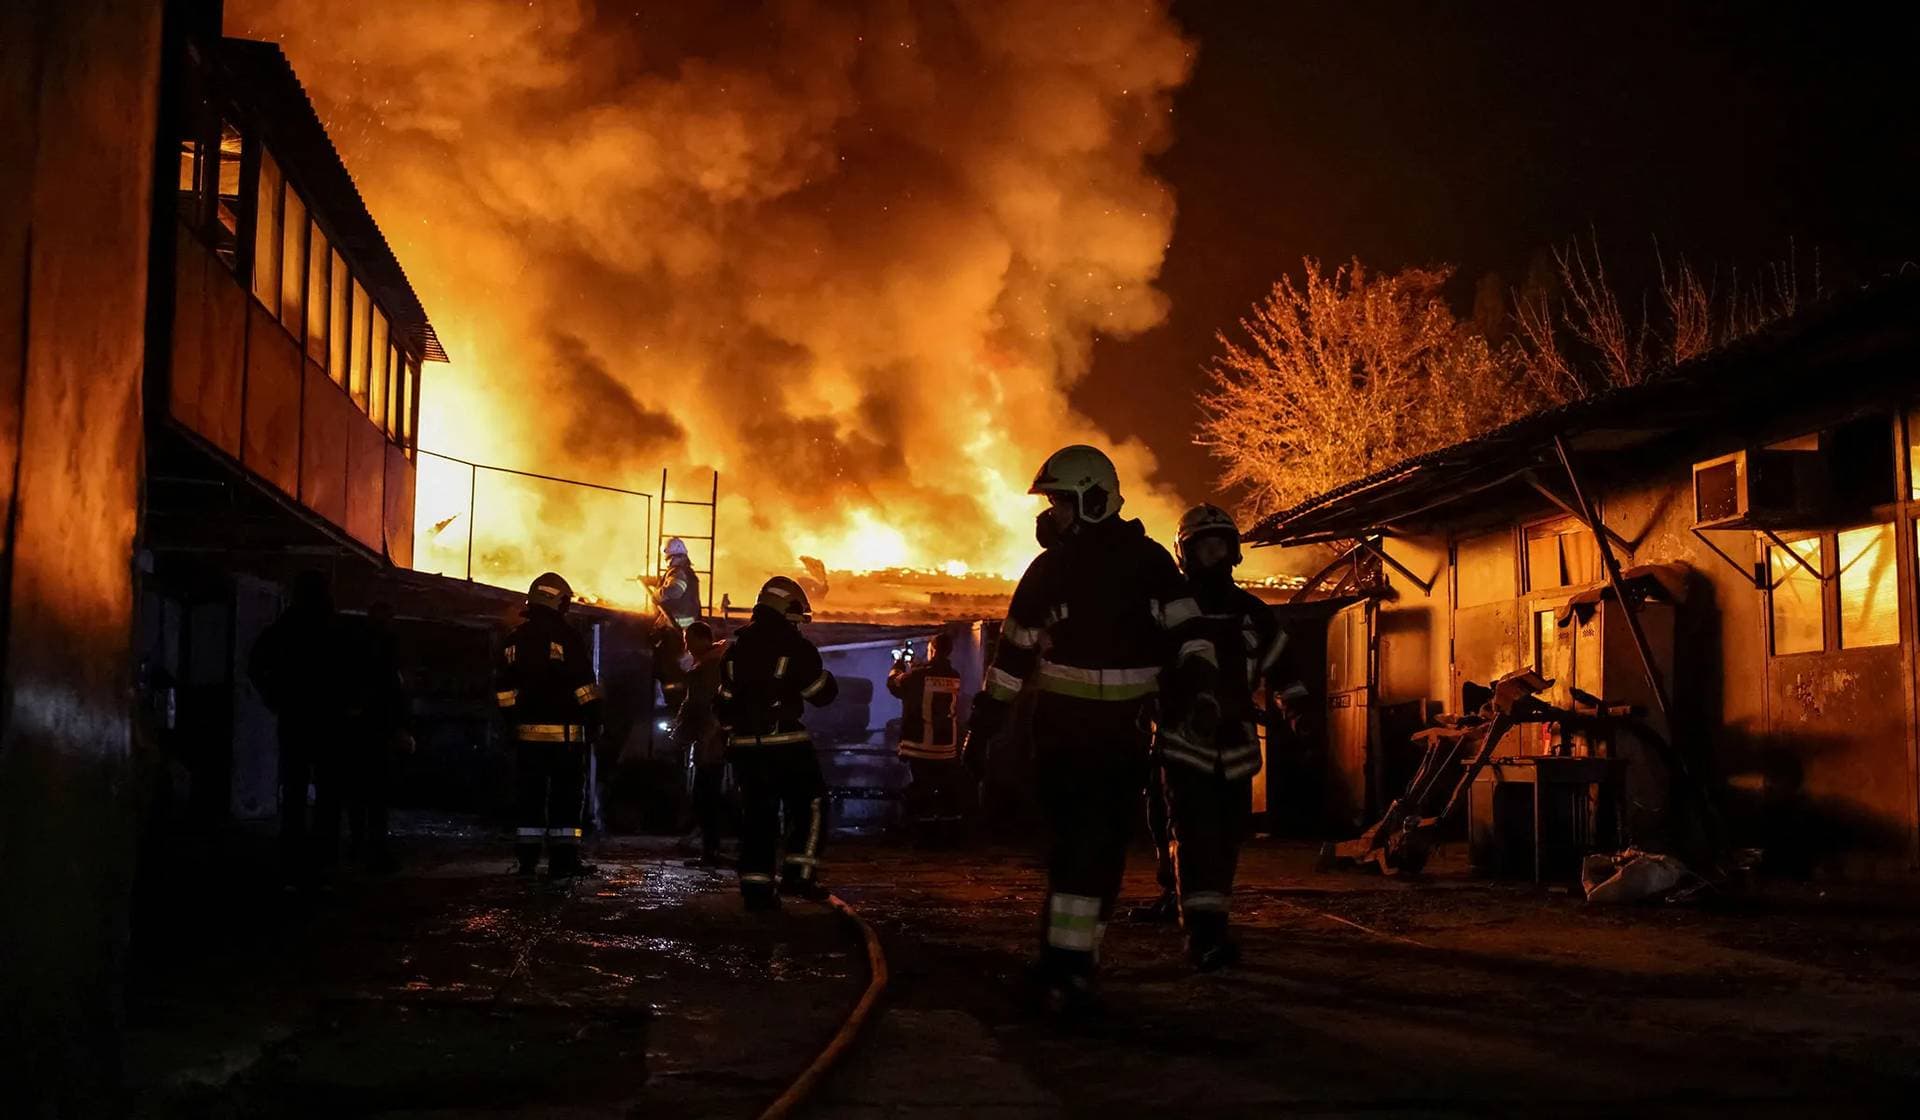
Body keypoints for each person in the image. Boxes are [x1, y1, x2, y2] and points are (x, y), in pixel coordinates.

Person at [964, 445, 1219, 1016]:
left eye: (1061, 503)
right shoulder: (1132, 564)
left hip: (1097, 738)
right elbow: (1011, 659)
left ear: (1095, 500)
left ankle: (1069, 967)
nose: (1052, 515)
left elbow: (1191, 636)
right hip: (1084, 737)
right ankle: (1070, 965)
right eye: (1052, 503)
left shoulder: (1117, 566)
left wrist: (1200, 689)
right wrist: (985, 725)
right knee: (1086, 853)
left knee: (1091, 854)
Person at [1154, 504, 1291, 971]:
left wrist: (1296, 708)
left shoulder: (1253, 612)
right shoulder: (1171, 608)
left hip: (1236, 744)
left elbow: (1283, 667)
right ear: (1186, 554)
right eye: (1204, 546)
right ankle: (1201, 935)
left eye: (1221, 546)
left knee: (1227, 839)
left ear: (1233, 553)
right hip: (1185, 741)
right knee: (1194, 837)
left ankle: (1214, 925)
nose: (1214, 556)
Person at [714, 576, 838, 910]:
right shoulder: (795, 646)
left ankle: (756, 889)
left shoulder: (734, 647)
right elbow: (820, 695)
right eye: (796, 618)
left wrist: (733, 732)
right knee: (811, 803)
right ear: (787, 610)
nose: (798, 626)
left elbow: (723, 700)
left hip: (743, 748)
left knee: (758, 814)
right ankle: (800, 876)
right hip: (786, 743)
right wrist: (828, 680)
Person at [493, 572, 603, 877]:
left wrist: (512, 723)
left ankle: (527, 861)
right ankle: (563, 862)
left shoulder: (514, 639)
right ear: (560, 603)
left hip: (527, 738)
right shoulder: (567, 637)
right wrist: (595, 719)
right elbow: (584, 686)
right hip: (566, 739)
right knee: (566, 801)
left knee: (529, 798)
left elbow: (502, 690)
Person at [248, 570, 348, 886]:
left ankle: (294, 852)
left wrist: (275, 699)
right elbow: (352, 670)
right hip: (327, 719)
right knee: (328, 788)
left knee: (295, 787)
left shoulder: (285, 628)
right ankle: (324, 853)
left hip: (297, 717)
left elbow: (256, 666)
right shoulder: (332, 629)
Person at [345, 602, 411, 874]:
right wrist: (400, 727)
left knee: (360, 795)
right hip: (377, 732)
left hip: (360, 732)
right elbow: (394, 694)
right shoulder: (385, 650)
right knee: (376, 796)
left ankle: (359, 848)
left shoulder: (355, 648)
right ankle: (375, 851)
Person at [887, 630, 966, 844]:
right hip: (946, 748)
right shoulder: (954, 675)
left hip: (920, 746)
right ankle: (951, 836)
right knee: (944, 791)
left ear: (931, 649)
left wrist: (898, 664)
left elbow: (895, 685)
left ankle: (925, 836)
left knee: (922, 790)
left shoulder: (917, 676)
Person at [672, 621, 731, 867]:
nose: (686, 645)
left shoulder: (708, 668)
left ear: (700, 638)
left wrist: (680, 734)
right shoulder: (712, 664)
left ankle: (711, 852)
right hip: (713, 740)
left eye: (688, 639)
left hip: (711, 743)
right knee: (706, 797)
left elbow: (697, 706)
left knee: (705, 797)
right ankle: (710, 850)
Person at [655, 538, 703, 630]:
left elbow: (674, 591)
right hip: (687, 626)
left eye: (667, 558)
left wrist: (656, 595)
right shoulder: (686, 571)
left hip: (676, 626)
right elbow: (673, 581)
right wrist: (654, 580)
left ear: (671, 557)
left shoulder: (678, 572)